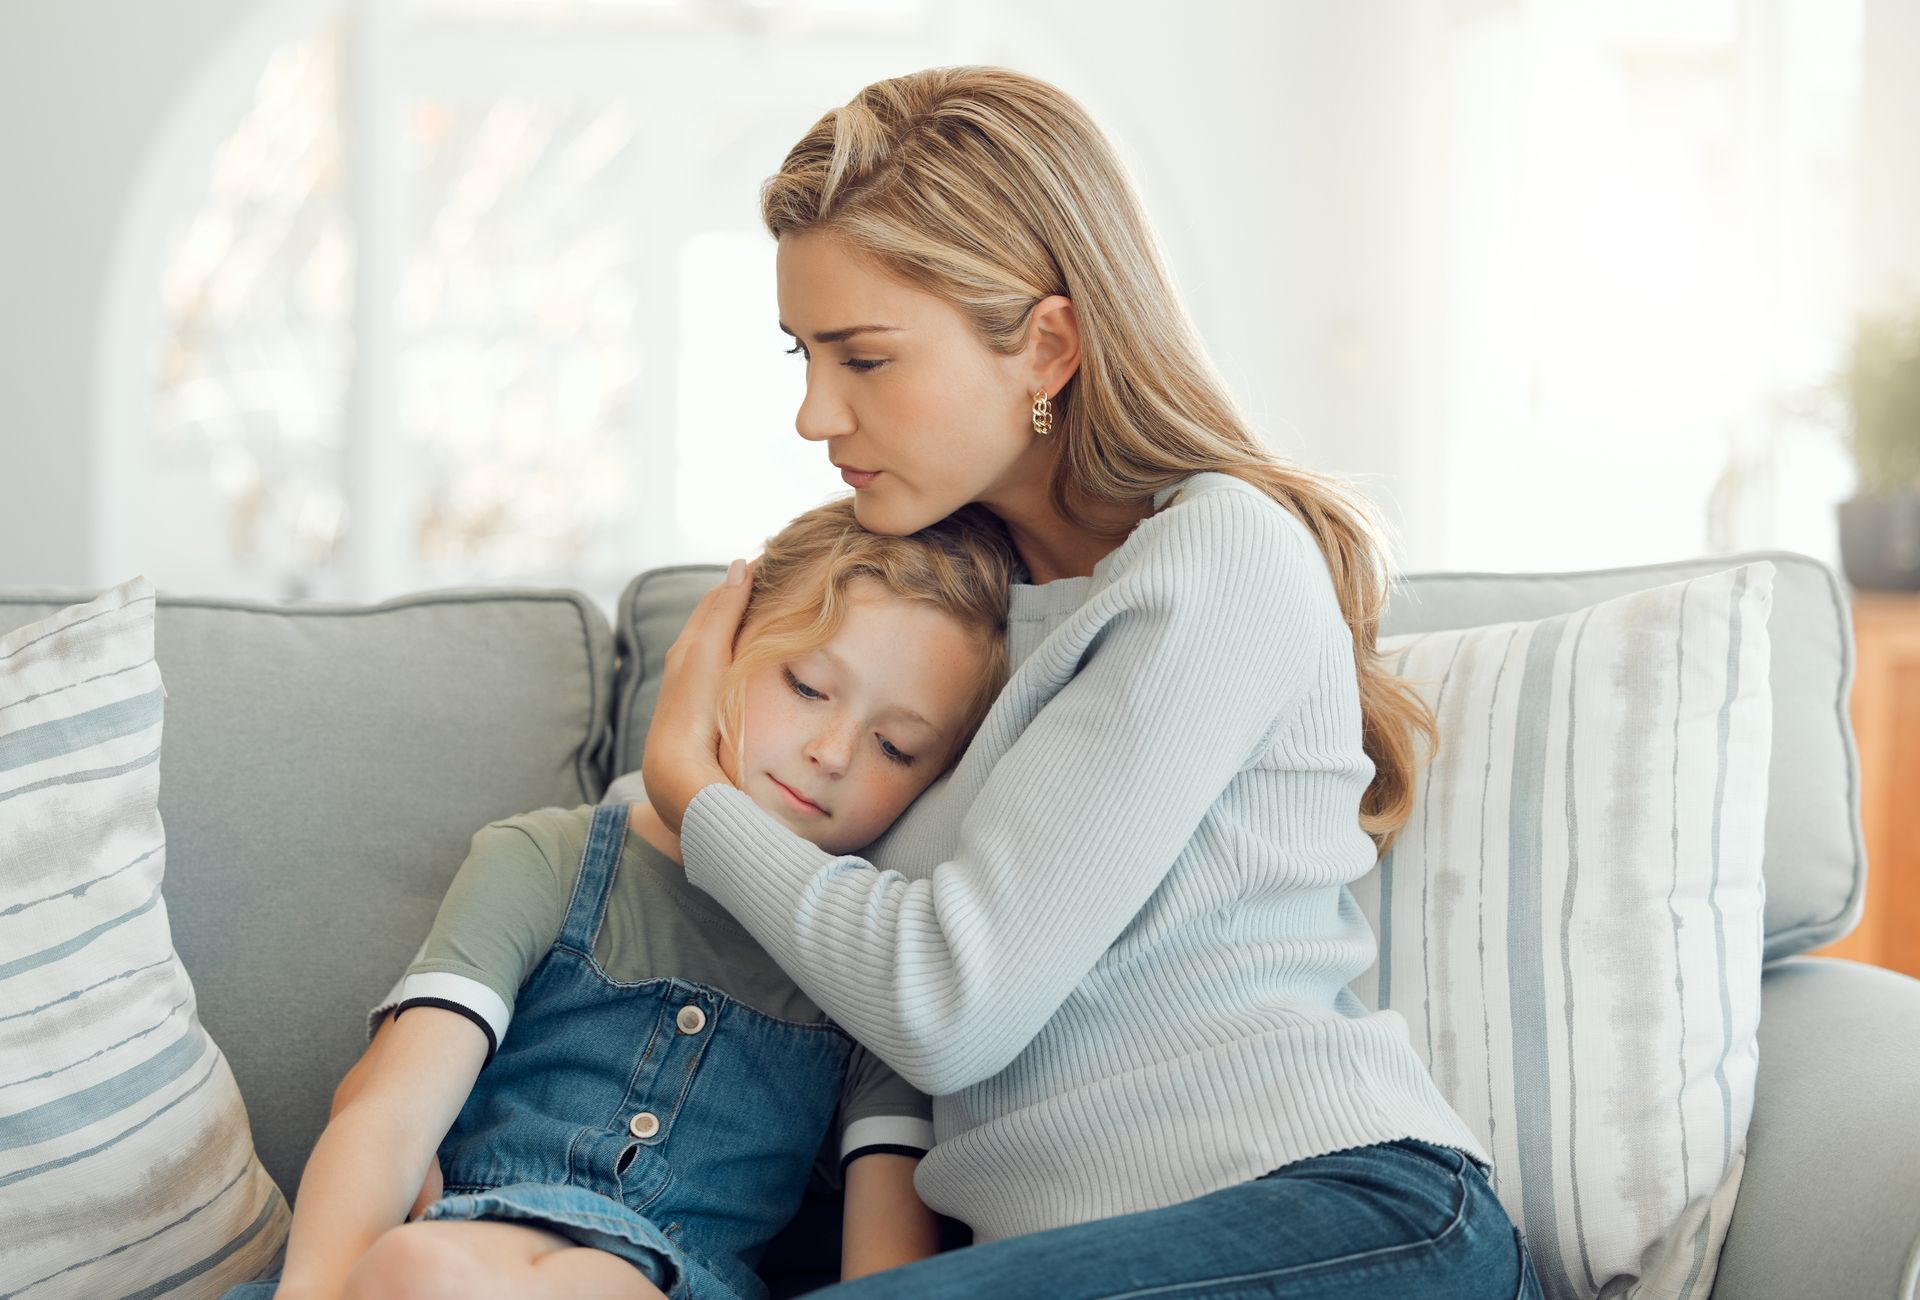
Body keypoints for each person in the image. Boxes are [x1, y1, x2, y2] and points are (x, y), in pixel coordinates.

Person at [638, 67, 1545, 1298]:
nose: (812, 414)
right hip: (1058, 1256)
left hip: (1338, 1215)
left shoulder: (1219, 552)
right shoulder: (952, 634)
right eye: (804, 354)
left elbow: (946, 1000)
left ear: (1047, 345)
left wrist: (695, 792)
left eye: (863, 358)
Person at [229, 498, 1018, 1300]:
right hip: (446, 1252)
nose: (832, 752)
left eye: (896, 746)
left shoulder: (877, 962)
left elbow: (886, 1266)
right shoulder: (546, 860)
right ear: (716, 646)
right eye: (809, 686)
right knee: (418, 1265)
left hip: (659, 1285)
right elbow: (387, 1118)